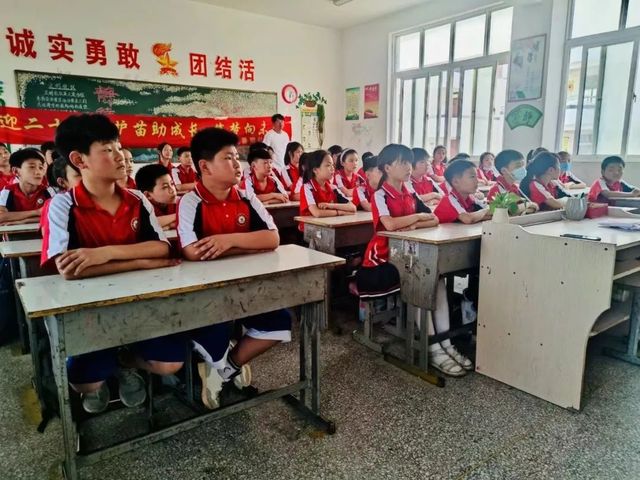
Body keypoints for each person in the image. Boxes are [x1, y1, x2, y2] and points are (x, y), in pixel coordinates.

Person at [41, 113, 181, 413]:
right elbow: (69, 271)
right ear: (79, 160)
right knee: (83, 383)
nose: (120, 156)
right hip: (90, 312)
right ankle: (105, 374)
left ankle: (124, 361)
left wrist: (104, 254)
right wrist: (141, 263)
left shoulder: (136, 199)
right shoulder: (63, 205)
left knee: (171, 363)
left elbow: (161, 249)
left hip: (141, 303)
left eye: (118, 146)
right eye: (107, 149)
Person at [178, 127, 292, 409]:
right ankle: (217, 364)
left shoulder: (246, 197)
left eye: (236, 157)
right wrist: (250, 245)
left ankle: (226, 368)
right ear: (205, 166)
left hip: (248, 286)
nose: (237, 165)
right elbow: (193, 251)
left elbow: (273, 238)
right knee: (216, 333)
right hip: (207, 294)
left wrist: (227, 241)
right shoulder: (190, 202)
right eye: (228, 158)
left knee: (280, 322)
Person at [298, 150, 356, 228]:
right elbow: (317, 213)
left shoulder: (333, 188)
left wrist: (330, 205)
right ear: (315, 170)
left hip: (329, 227)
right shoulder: (307, 187)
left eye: (333, 165)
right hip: (311, 230)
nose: (332, 168)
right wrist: (340, 212)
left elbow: (352, 208)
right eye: (328, 165)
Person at [0, 149, 56, 224]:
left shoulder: (48, 190)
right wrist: (37, 212)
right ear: (16, 171)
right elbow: (1, 217)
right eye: (32, 167)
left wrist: (23, 221)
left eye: (40, 167)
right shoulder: (7, 191)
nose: (38, 172)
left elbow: (54, 216)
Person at [433, 159, 491, 224]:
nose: (477, 181)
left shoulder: (470, 198)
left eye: (476, 176)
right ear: (455, 181)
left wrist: (484, 212)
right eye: (472, 177)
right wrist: (485, 211)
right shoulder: (449, 200)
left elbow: (491, 211)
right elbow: (468, 219)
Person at [487, 150, 539, 214]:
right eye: (518, 166)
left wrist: (525, 207)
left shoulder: (515, 187)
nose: (522, 169)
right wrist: (527, 205)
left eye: (523, 165)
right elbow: (508, 212)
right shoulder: (496, 190)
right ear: (504, 170)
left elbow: (535, 207)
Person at [135, 163, 178, 229]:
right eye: (165, 187)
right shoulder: (139, 207)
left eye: (172, 184)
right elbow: (146, 223)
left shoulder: (181, 201)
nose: (172, 190)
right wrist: (178, 215)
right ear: (148, 195)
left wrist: (169, 225)